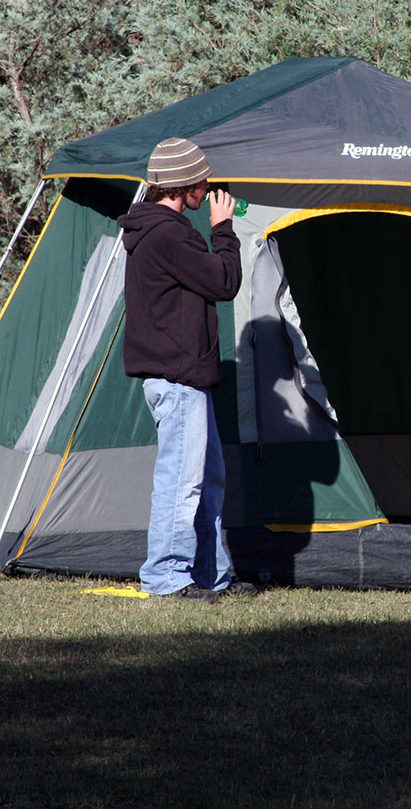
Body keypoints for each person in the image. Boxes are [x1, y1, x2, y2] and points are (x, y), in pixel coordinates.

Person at [118, 137, 252, 603]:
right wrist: (223, 228)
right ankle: (167, 579)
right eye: (203, 180)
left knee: (207, 476)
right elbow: (224, 281)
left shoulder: (150, 230)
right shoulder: (170, 234)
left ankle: (209, 575)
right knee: (182, 479)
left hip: (184, 379)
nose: (208, 187)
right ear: (184, 185)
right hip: (178, 380)